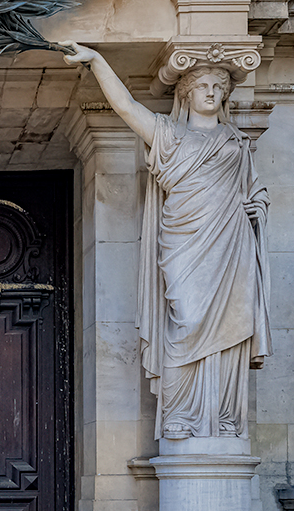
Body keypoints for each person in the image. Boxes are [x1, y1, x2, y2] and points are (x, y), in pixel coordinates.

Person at [62, 42, 270, 440]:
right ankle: (182, 412)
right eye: (204, 85)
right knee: (185, 322)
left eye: (218, 87)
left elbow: (254, 191)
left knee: (231, 327)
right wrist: (98, 61)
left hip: (231, 247)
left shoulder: (236, 144)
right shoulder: (169, 136)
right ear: (187, 92)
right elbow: (126, 108)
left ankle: (222, 416)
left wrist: (259, 211)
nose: (211, 92)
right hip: (184, 243)